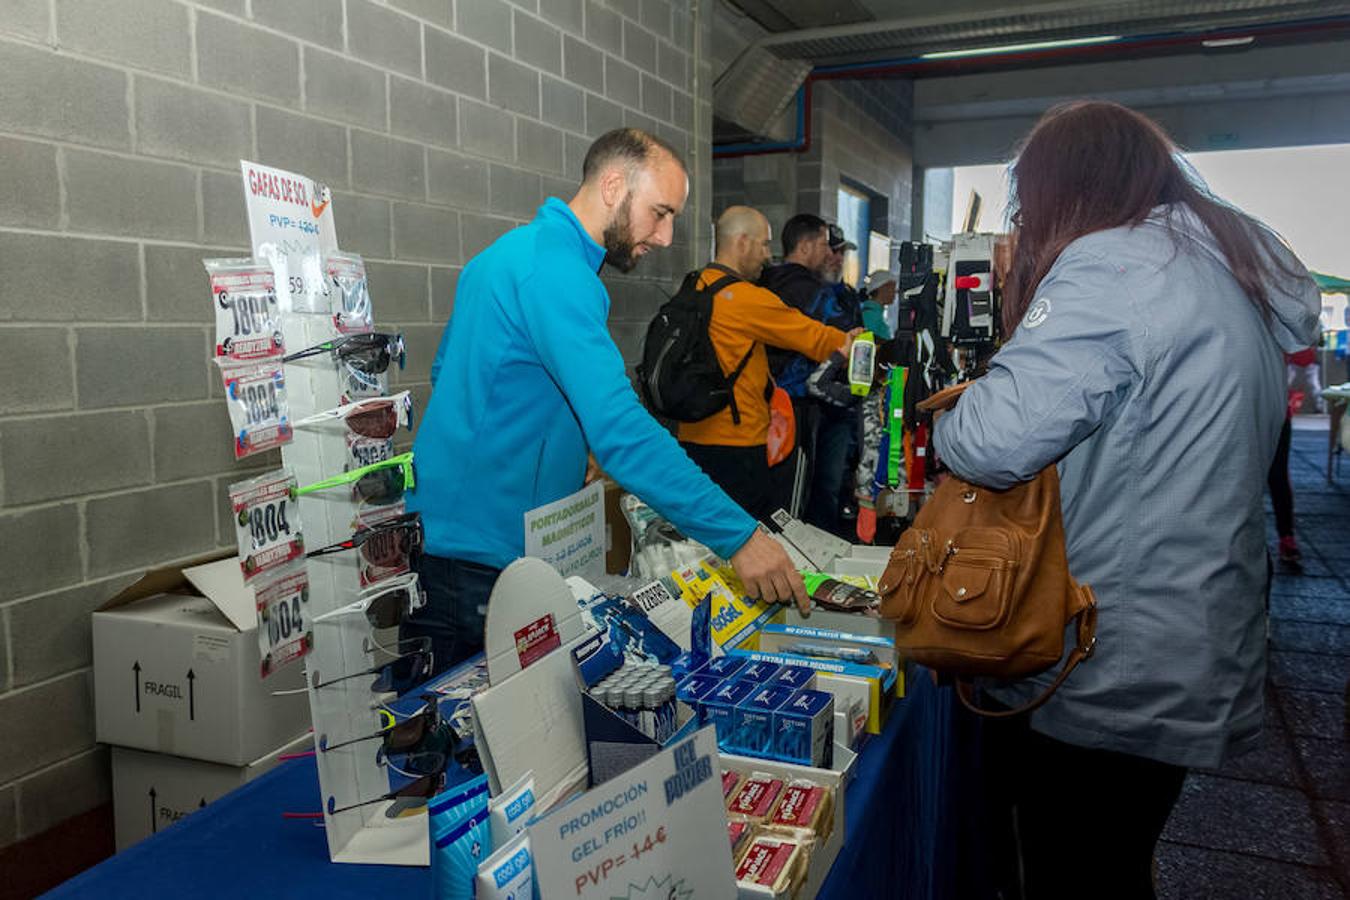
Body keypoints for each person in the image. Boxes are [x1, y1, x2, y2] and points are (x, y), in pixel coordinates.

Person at [932, 101, 1319, 899]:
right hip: (1196, 630)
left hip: (1116, 650)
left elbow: (990, 441)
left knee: (1075, 870)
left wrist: (974, 395)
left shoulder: (1114, 267)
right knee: (1114, 863)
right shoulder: (1221, 266)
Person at [404, 129, 809, 674]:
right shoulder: (555, 271)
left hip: (462, 543)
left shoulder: (512, 254)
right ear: (614, 186)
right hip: (475, 560)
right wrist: (740, 537)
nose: (665, 236)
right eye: (660, 212)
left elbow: (456, 374)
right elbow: (622, 431)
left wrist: (568, 443)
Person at [678, 206, 854, 520]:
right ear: (742, 242)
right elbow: (815, 337)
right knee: (747, 537)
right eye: (763, 245)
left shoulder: (694, 285)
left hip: (691, 438)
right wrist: (855, 343)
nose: (767, 256)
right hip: (738, 446)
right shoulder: (746, 298)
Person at [860, 270, 896, 340]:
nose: (895, 292)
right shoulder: (870, 316)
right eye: (893, 288)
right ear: (883, 288)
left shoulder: (873, 314)